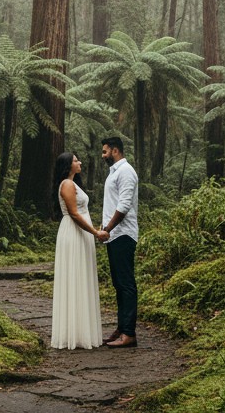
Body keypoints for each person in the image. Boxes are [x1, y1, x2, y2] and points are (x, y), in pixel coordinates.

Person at [50, 151, 106, 349]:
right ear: (67, 165)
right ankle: (72, 333)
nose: (79, 162)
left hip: (81, 234)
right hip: (74, 233)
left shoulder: (73, 184)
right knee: (74, 277)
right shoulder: (66, 184)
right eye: (75, 160)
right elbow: (74, 213)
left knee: (81, 277)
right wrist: (94, 232)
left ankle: (81, 331)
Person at [99, 136, 139, 348]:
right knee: (118, 284)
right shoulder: (114, 172)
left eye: (105, 151)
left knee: (126, 284)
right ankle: (122, 327)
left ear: (115, 151)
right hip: (114, 236)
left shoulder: (126, 172)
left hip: (122, 234)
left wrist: (107, 229)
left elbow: (123, 206)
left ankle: (129, 334)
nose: (103, 155)